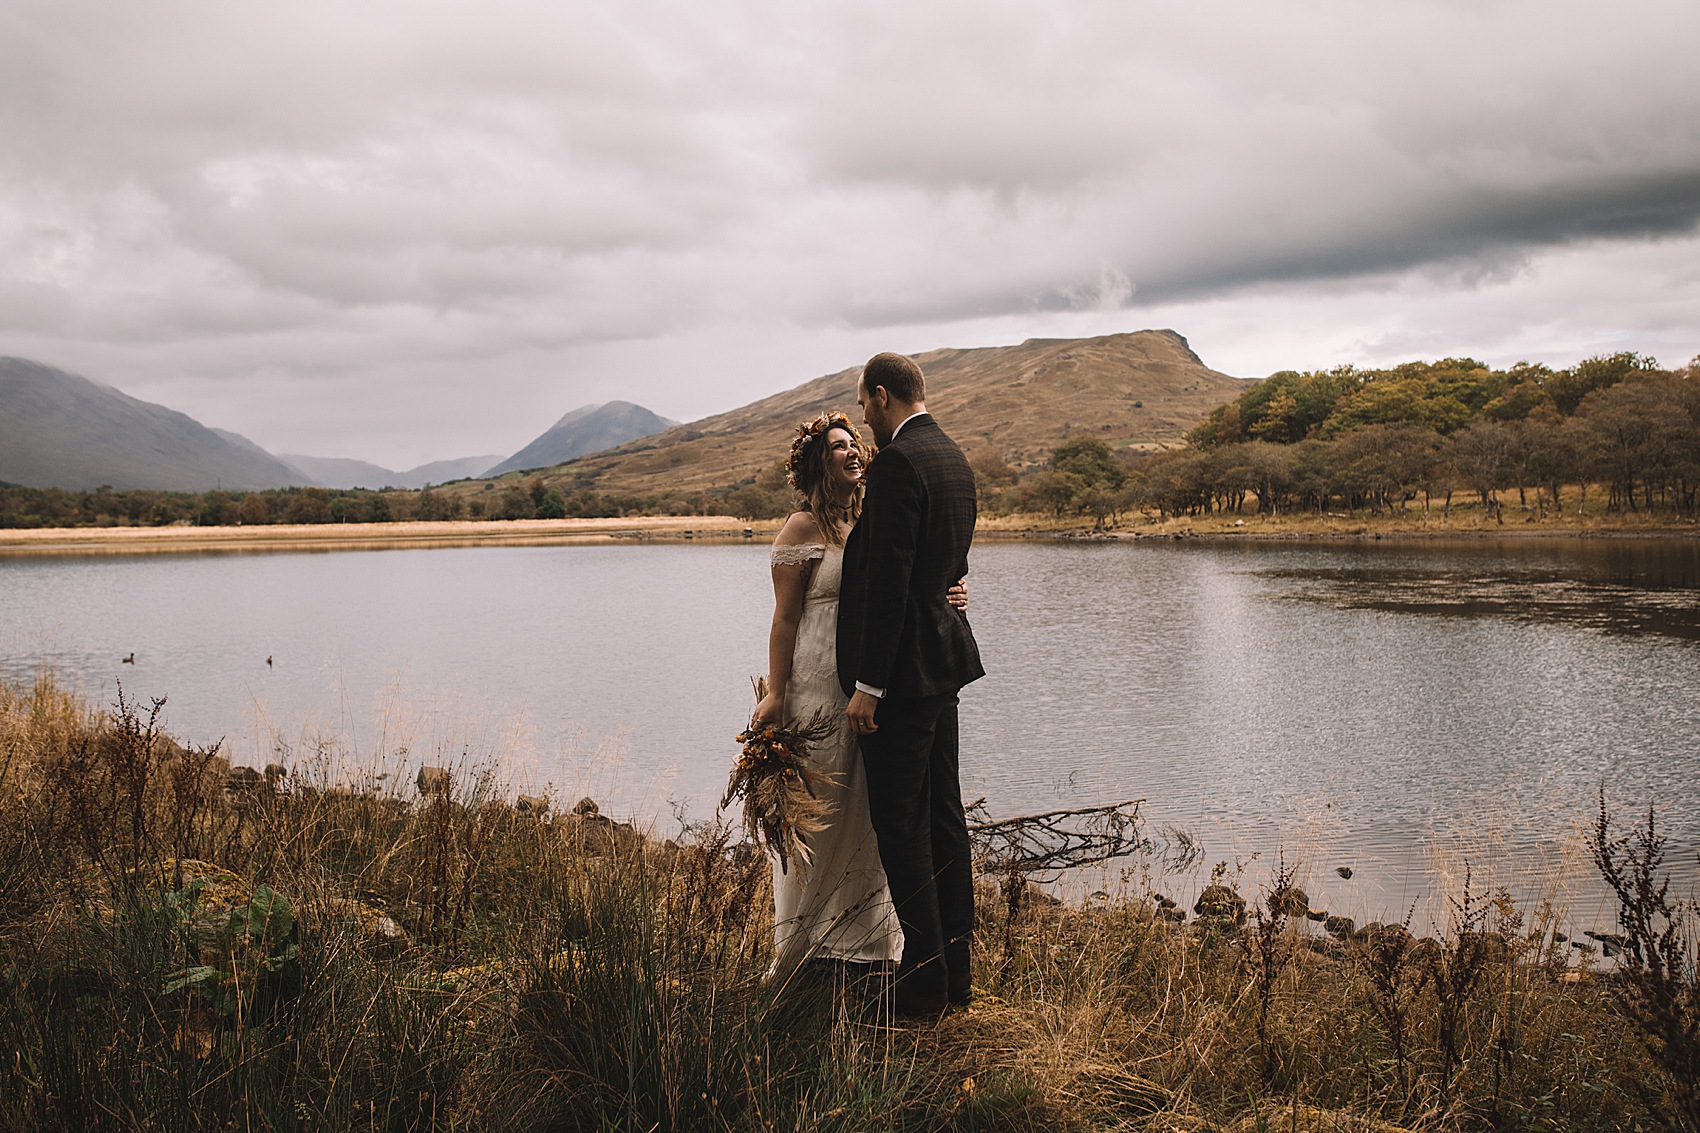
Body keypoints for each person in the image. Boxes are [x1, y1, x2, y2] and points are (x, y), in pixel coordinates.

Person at [751, 411, 969, 980]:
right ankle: (806, 940)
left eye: (854, 443)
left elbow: (910, 577)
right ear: (818, 463)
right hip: (817, 679)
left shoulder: (874, 513)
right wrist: (777, 694)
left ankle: (863, 939)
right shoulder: (800, 529)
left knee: (870, 806)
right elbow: (783, 621)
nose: (853, 452)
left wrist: (952, 592)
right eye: (838, 447)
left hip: (872, 683)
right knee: (822, 806)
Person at [838, 351, 985, 1018]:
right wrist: (951, 586)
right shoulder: (952, 454)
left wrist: (869, 685)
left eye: (864, 403)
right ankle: (956, 970)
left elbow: (891, 580)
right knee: (943, 817)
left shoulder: (898, 461)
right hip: (942, 666)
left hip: (899, 679)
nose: (864, 415)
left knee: (901, 825)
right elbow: (947, 555)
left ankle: (922, 981)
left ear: (880, 394)